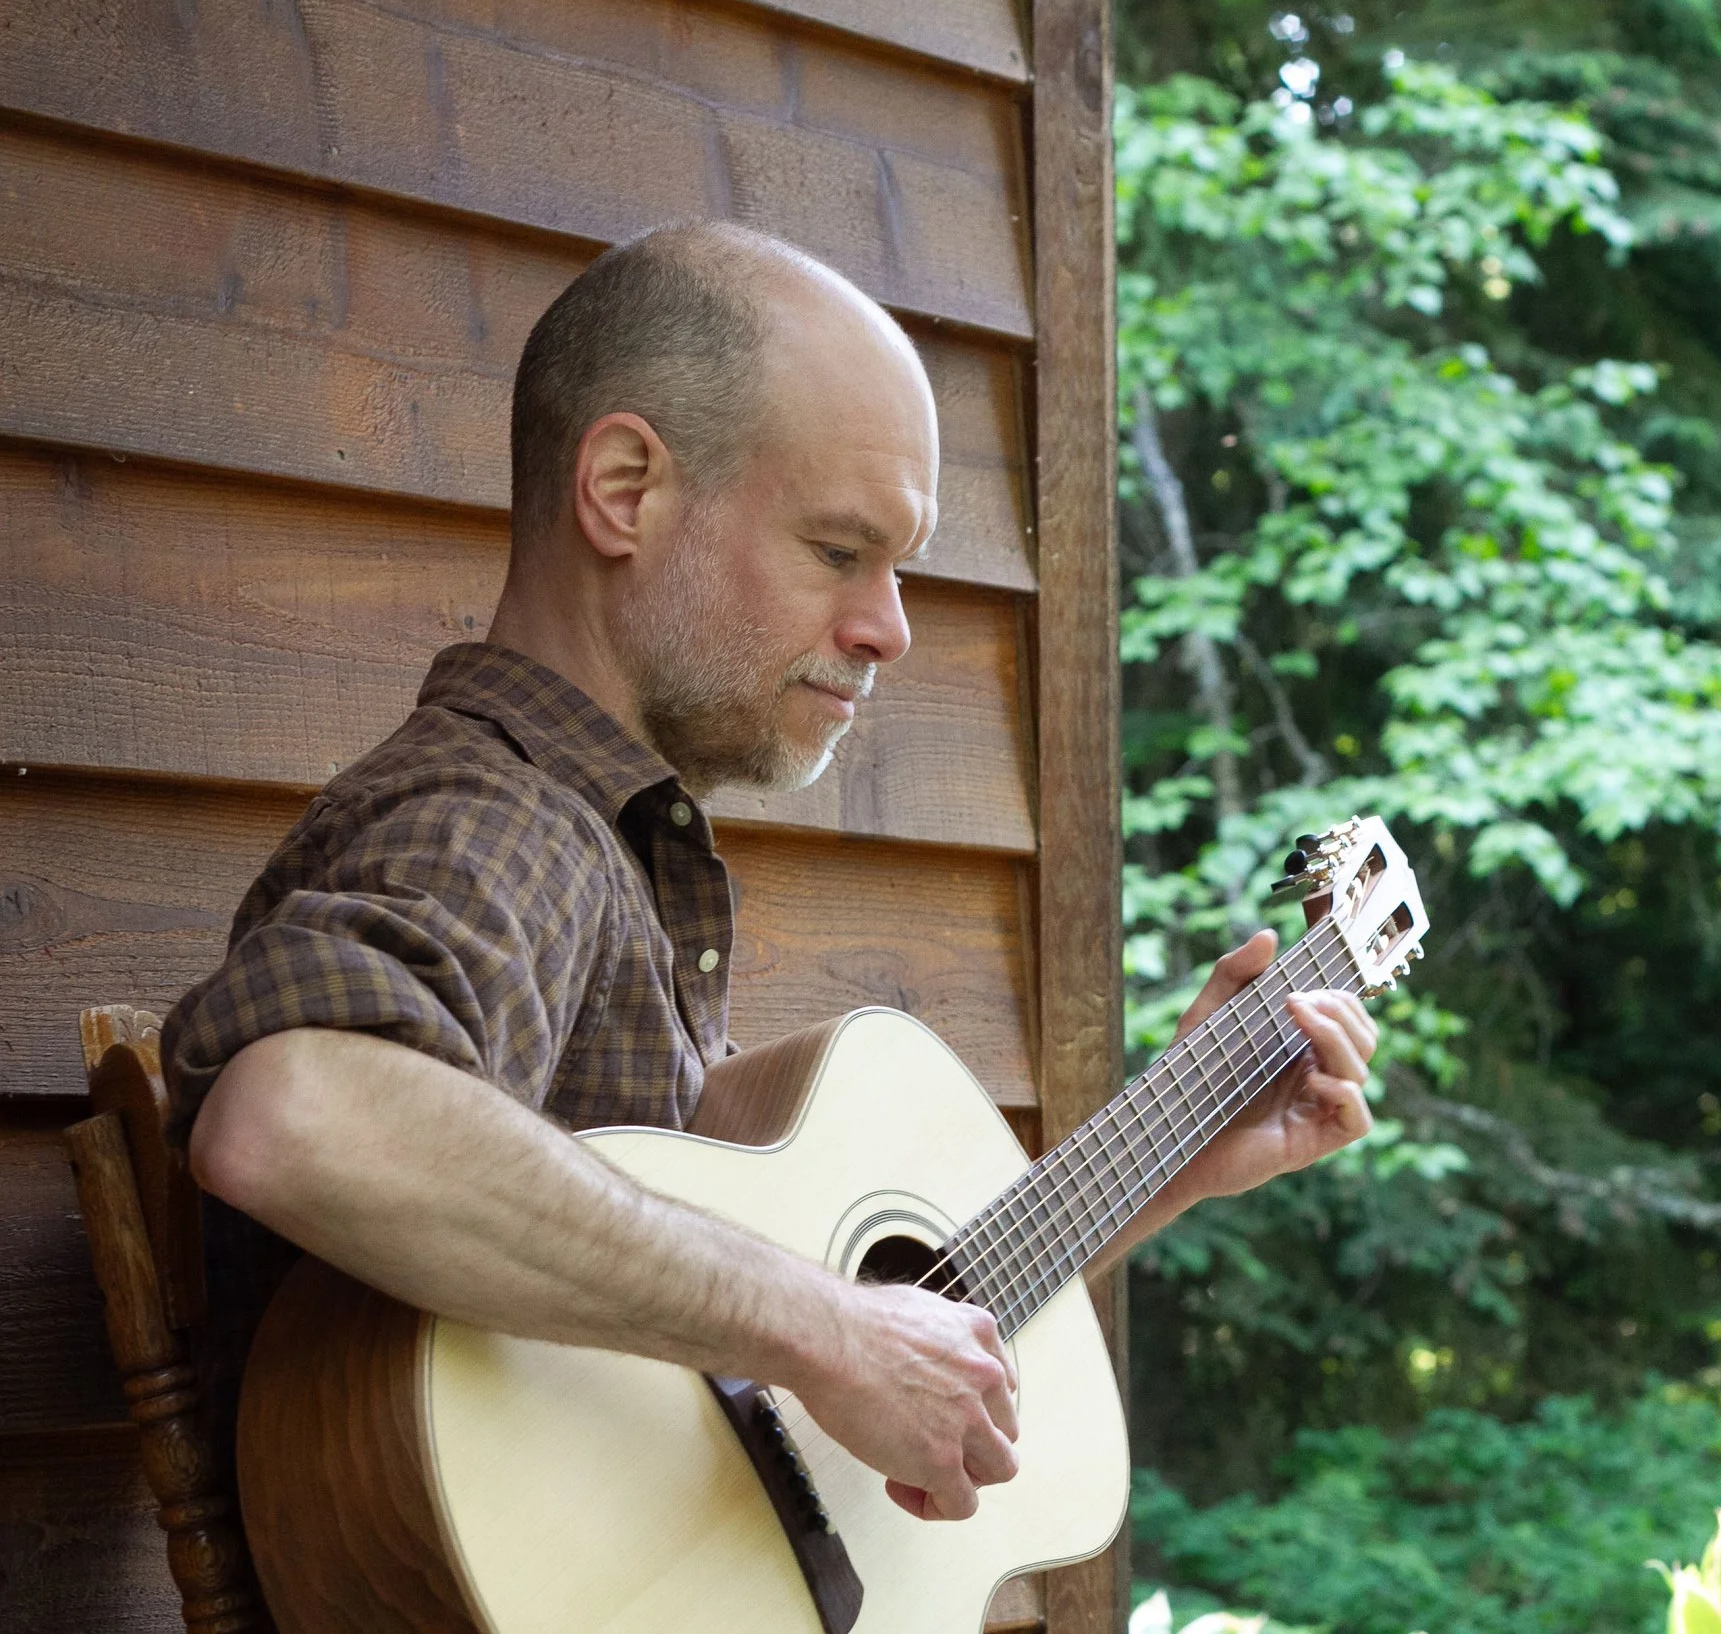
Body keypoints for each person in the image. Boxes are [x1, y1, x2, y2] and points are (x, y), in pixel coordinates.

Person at [166, 221, 1378, 1526]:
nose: (890, 625)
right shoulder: (499, 821)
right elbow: (292, 1112)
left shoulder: (607, 847)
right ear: (625, 490)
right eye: (839, 549)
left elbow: (754, 1401)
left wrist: (1171, 1161)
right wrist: (829, 1328)